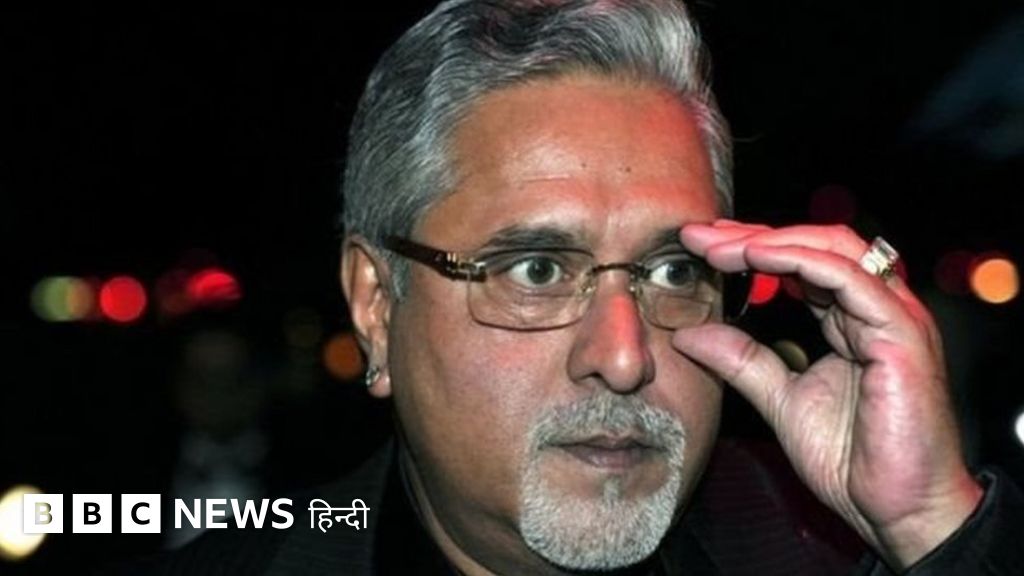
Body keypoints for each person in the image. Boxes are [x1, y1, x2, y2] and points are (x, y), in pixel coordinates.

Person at [145, 1, 1023, 574]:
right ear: (377, 307)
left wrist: (934, 528)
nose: (624, 356)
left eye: (673, 272)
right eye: (536, 270)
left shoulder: (835, 557)